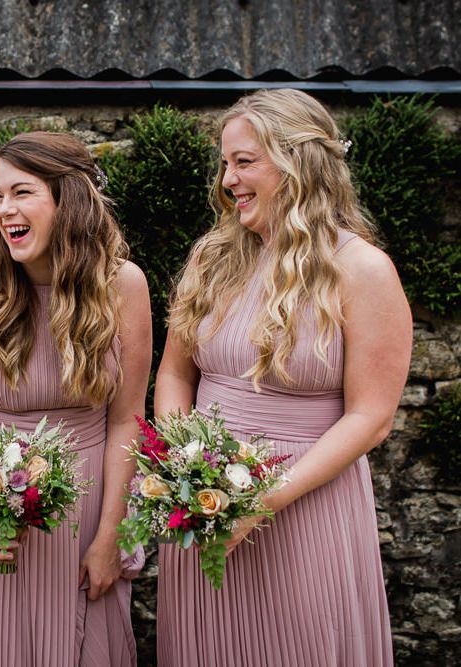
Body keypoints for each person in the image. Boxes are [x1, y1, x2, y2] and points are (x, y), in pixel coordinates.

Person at [155, 89, 411, 666]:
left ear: (300, 162)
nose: (227, 180)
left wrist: (257, 505)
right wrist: (187, 469)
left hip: (305, 509)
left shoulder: (362, 270)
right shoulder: (211, 258)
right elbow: (174, 373)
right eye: (225, 163)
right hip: (205, 506)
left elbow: (370, 419)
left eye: (244, 162)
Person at [0, 131, 151, 667]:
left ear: (67, 198)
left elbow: (127, 421)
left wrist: (109, 537)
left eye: (21, 193)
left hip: (89, 515)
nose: (5, 210)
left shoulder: (123, 287)